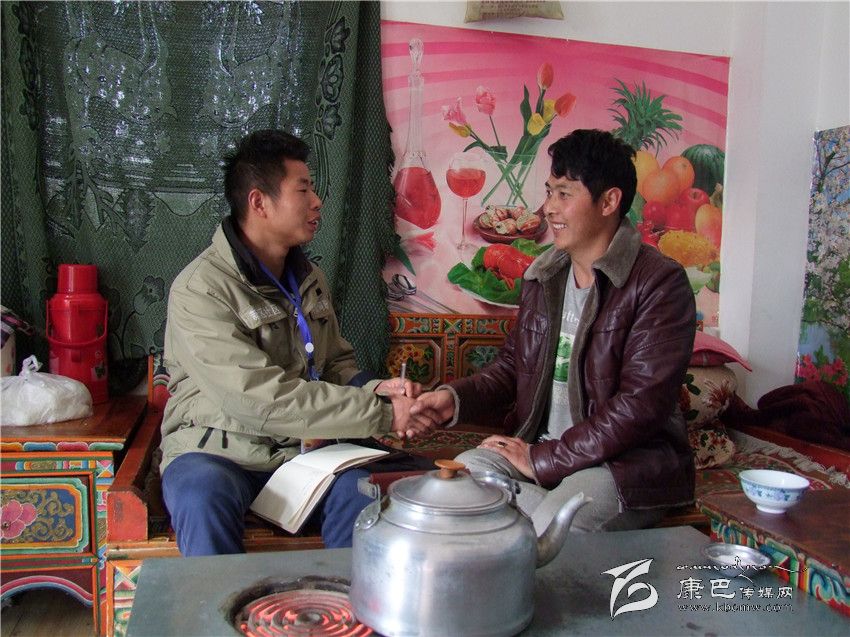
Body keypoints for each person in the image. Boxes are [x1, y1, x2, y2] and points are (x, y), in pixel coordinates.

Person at [159, 129, 433, 556]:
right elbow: (259, 398)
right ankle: (220, 600)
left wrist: (377, 388)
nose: (317, 201)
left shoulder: (309, 279)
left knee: (362, 494)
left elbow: (336, 365)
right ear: (259, 202)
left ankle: (343, 598)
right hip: (217, 452)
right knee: (200, 497)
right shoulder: (200, 289)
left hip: (302, 453)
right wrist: (382, 413)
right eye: (303, 189)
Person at [412, 129, 696, 533]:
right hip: (541, 452)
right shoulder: (544, 275)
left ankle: (536, 516)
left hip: (620, 467)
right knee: (457, 485)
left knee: (553, 525)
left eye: (564, 194)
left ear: (609, 202)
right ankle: (535, 513)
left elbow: (640, 406)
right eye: (549, 192)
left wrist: (544, 460)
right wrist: (451, 399)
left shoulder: (660, 283)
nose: (548, 208)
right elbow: (512, 368)